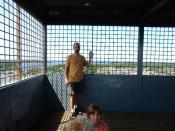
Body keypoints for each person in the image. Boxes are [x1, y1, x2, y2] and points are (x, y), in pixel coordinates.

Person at [64, 42, 93, 116]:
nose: (77, 48)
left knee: (76, 94)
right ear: (73, 48)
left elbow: (88, 65)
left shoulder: (82, 57)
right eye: (76, 47)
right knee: (72, 94)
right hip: (71, 79)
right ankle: (72, 109)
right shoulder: (69, 57)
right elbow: (66, 69)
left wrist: (90, 57)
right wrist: (66, 79)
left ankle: (75, 106)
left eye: (78, 47)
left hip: (79, 79)